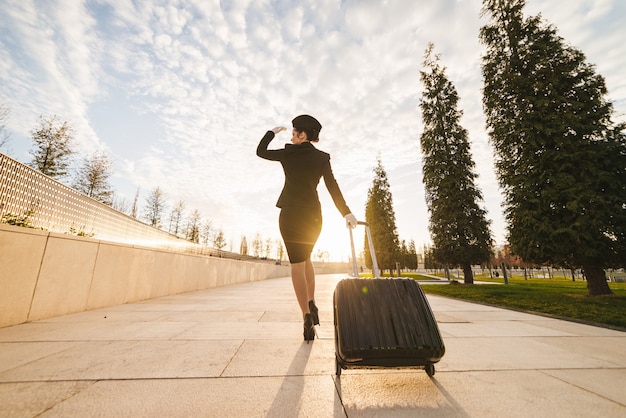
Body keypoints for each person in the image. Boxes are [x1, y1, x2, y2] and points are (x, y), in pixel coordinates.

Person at [256, 114, 358, 341]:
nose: (291, 137)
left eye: (294, 133)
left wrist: (272, 133)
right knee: (307, 258)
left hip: (290, 214)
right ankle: (311, 302)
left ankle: (306, 316)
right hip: (313, 216)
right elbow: (333, 187)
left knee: (296, 264)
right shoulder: (321, 158)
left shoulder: (287, 154)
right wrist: (346, 212)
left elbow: (261, 151)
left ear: (303, 135)